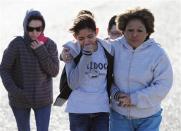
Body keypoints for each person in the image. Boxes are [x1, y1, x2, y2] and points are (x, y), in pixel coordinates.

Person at [110, 8, 173, 131]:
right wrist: (116, 94)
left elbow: (163, 84)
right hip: (119, 116)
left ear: (148, 31)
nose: (134, 34)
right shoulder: (113, 48)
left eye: (140, 30)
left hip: (148, 118)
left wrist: (133, 99)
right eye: (130, 30)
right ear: (122, 30)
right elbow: (104, 77)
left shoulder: (158, 54)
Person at [0, 9, 59, 131]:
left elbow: (54, 71)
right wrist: (15, 91)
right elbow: (4, 69)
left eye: (39, 29)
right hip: (19, 99)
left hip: (43, 99)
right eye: (31, 29)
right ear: (25, 27)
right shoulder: (16, 44)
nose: (35, 32)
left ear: (43, 27)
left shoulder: (50, 45)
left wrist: (41, 51)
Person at [63, 14, 113, 131]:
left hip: (101, 109)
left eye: (90, 36)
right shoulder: (71, 50)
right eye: (81, 38)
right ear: (75, 36)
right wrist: (86, 56)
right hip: (78, 110)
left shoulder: (108, 48)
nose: (86, 42)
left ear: (96, 31)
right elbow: (73, 84)